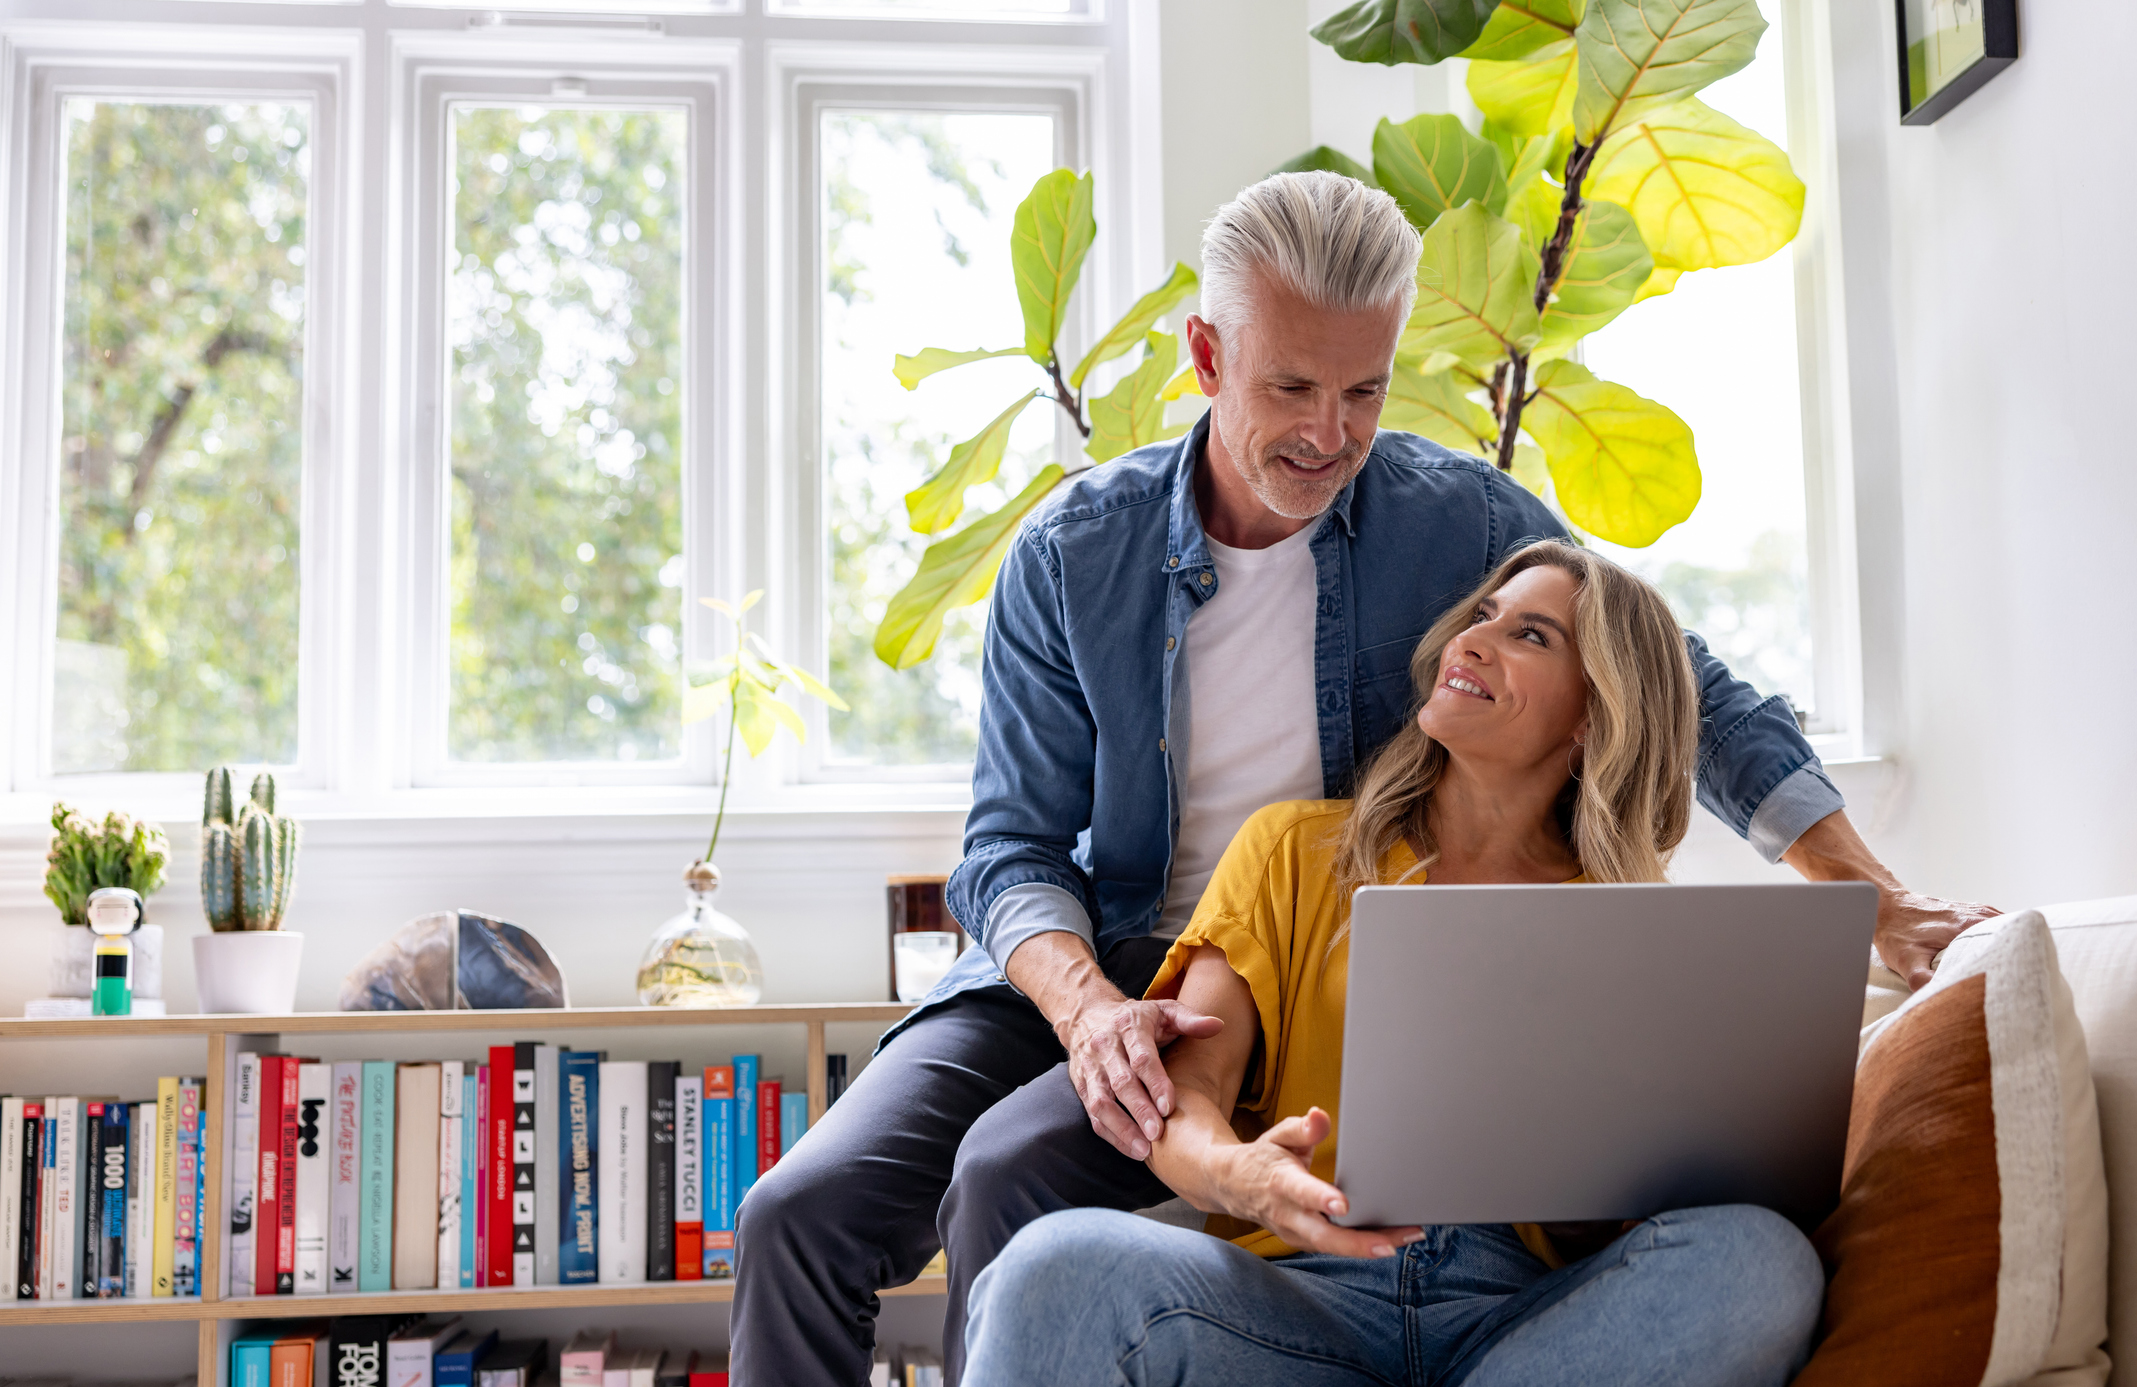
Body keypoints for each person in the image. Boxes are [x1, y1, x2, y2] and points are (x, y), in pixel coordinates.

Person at [728, 171, 1989, 1386]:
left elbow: (1682, 685)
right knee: (800, 1211)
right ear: (1208, 359)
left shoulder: (1460, 523)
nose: (1330, 434)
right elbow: (1008, 849)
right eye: (1290, 386)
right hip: (1086, 963)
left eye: (1364, 390)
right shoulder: (1074, 552)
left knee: (1013, 1169)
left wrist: (1868, 897)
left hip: (1302, 968)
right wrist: (1089, 1015)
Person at [965, 540, 1824, 1386]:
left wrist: (1587, 1199)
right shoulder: (1293, 852)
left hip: (1520, 1319)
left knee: (1759, 1259)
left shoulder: (1630, 921)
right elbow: (1185, 1099)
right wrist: (1244, 1178)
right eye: (1482, 614)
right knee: (1050, 1267)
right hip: (1299, 1302)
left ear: (1595, 712)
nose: (1472, 640)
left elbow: (1635, 1211)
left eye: (1530, 635)